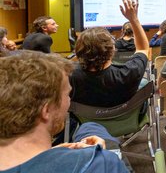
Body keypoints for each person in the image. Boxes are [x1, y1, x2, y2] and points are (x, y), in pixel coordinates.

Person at [0, 51, 128, 173]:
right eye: (67, 94)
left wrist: (50, 152)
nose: (69, 100)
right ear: (46, 110)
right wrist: (101, 155)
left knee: (89, 127)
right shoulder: (102, 164)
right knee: (92, 130)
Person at [70, 0, 149, 107]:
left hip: (85, 123)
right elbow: (143, 48)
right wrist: (133, 19)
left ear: (78, 51)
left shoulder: (70, 76)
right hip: (125, 122)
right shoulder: (129, 73)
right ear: (112, 50)